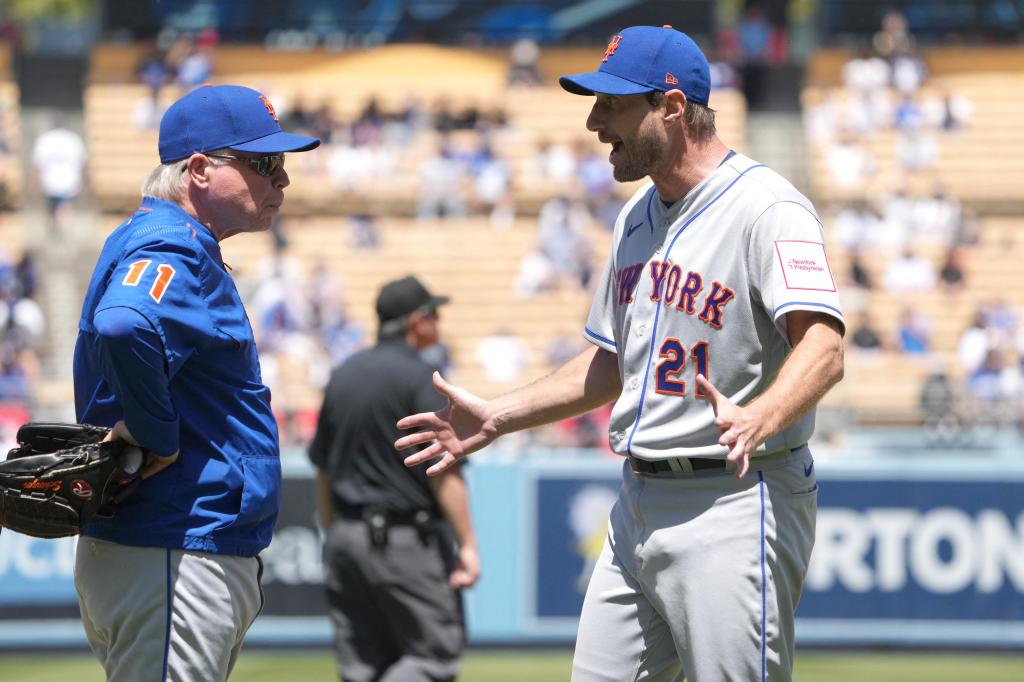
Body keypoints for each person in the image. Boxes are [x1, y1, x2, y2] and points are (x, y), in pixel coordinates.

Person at [396, 25, 845, 682]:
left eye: (612, 104)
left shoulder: (768, 207)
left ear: (670, 106)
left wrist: (763, 415)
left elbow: (825, 347)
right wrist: (501, 414)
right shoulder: (635, 217)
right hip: (638, 499)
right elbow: (611, 362)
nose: (594, 120)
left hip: (734, 496)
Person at [72, 84, 319, 681]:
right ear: (200, 170)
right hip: (171, 542)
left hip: (170, 544)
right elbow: (125, 323)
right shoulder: (171, 242)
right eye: (263, 163)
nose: (281, 180)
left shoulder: (172, 240)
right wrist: (157, 436)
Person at [309, 275, 480, 682]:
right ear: (416, 321)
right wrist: (469, 544)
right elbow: (443, 470)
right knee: (432, 659)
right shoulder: (422, 377)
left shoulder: (343, 375)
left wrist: (337, 532)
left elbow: (323, 469)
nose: (438, 322)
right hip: (406, 542)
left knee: (361, 667)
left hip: (346, 539)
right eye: (434, 314)